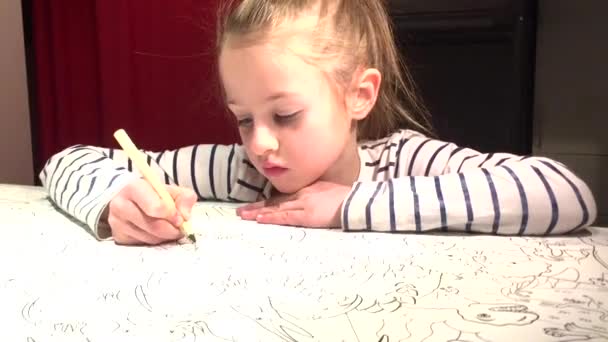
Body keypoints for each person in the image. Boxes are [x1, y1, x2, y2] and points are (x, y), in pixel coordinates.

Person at [40, 0, 596, 245]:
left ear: (359, 95)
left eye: (285, 115)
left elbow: (566, 194)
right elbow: (62, 162)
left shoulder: (406, 163)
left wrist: (348, 207)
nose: (259, 143)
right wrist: (117, 200)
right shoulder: (240, 173)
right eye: (241, 119)